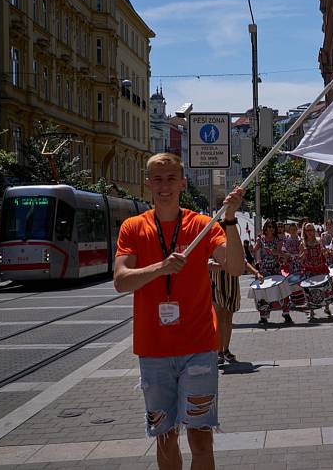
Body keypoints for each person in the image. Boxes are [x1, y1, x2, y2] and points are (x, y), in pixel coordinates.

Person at [113, 152, 246, 470]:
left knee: (201, 438)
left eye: (171, 178)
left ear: (183, 183)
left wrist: (229, 219)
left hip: (198, 347)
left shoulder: (201, 225)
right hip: (154, 349)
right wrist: (161, 268)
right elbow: (120, 281)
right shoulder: (133, 227)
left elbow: (236, 266)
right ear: (147, 184)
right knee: (165, 436)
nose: (164, 186)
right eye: (157, 179)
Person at [209, 235, 262, 365]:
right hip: (217, 286)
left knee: (228, 319)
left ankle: (226, 350)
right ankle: (219, 351)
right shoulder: (211, 245)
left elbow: (243, 262)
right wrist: (228, 265)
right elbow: (208, 265)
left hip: (232, 286)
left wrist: (256, 273)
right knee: (219, 319)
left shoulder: (233, 247)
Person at [253, 219, 293, 325]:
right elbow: (255, 250)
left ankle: (286, 313)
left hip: (275, 268)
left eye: (272, 227)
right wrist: (257, 257)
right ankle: (263, 316)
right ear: (265, 228)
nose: (270, 229)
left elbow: (278, 252)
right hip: (264, 270)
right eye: (268, 227)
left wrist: (273, 251)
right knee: (262, 293)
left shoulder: (278, 239)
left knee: (282, 290)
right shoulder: (261, 239)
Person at [300, 222, 332, 319]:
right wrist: (304, 254)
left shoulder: (319, 240)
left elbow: (325, 254)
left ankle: (327, 308)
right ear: (305, 232)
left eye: (311, 230)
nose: (310, 232)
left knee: (325, 289)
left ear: (314, 231)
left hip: (320, 268)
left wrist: (325, 252)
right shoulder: (303, 243)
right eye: (307, 230)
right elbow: (300, 259)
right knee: (310, 291)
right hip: (309, 270)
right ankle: (311, 311)